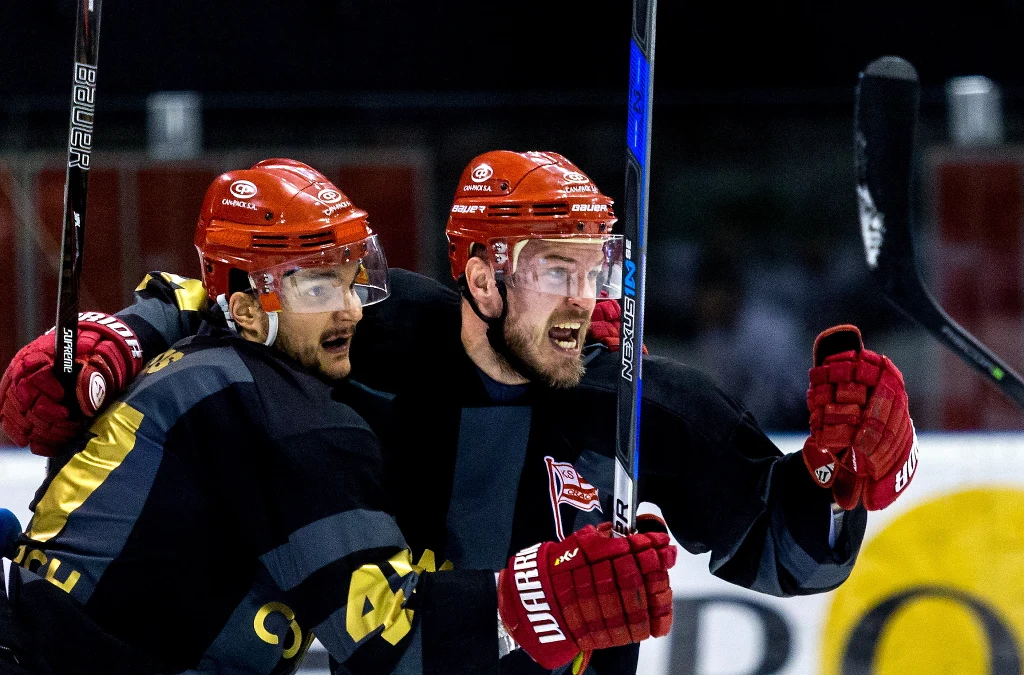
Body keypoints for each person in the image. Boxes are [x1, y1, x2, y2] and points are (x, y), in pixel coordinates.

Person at [1, 151, 917, 674]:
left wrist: (842, 477)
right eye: (553, 268)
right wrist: (117, 337)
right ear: (481, 276)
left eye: (594, 266)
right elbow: (230, 301)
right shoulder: (372, 331)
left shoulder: (644, 397)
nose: (582, 297)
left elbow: (792, 554)